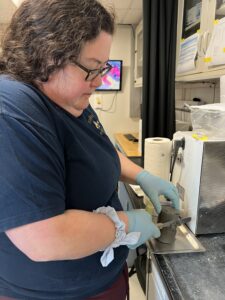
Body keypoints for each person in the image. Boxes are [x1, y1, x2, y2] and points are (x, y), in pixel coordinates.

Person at [0, 0, 179, 299]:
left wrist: (143, 175)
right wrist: (125, 224)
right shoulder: (13, 112)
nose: (98, 82)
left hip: (101, 278)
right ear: (48, 55)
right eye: (92, 69)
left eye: (103, 69)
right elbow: (45, 238)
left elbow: (98, 151)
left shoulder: (68, 97)